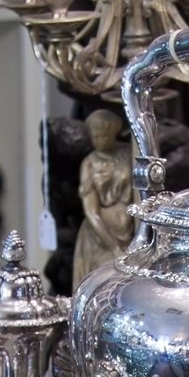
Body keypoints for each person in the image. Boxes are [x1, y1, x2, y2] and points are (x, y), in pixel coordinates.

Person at [72, 108, 135, 290]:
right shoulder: (90, 164)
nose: (99, 141)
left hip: (132, 230)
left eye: (104, 136)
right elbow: (91, 212)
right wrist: (113, 246)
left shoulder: (128, 153)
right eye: (95, 137)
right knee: (105, 287)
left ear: (114, 132)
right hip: (101, 238)